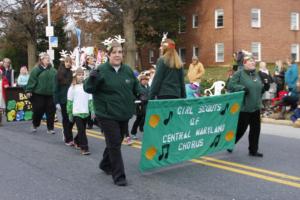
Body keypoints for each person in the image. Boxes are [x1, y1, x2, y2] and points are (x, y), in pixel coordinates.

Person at [84, 38, 142, 186]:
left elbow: (136, 87)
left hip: (124, 113)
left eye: (120, 52)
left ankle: (105, 163)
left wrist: (142, 94)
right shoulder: (101, 70)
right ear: (109, 55)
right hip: (106, 114)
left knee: (116, 141)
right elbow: (88, 88)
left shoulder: (127, 70)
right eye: (114, 52)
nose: (117, 55)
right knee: (115, 144)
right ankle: (119, 176)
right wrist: (92, 79)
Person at [228, 52, 264, 157]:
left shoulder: (256, 74)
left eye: (253, 61)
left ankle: (253, 150)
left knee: (255, 130)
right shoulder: (239, 73)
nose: (253, 63)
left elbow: (258, 87)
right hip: (244, 108)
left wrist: (263, 87)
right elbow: (230, 85)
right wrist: (242, 88)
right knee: (240, 130)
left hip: (256, 107)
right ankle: (229, 144)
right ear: (244, 63)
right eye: (250, 61)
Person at [25, 53, 57, 134]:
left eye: (48, 58)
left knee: (51, 111)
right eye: (46, 58)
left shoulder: (53, 70)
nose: (48, 60)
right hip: (38, 94)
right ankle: (35, 124)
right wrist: (28, 91)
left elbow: (57, 81)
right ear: (41, 60)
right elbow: (32, 81)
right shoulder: (36, 70)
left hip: (50, 94)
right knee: (38, 110)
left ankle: (50, 128)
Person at [67, 68, 94, 155]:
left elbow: (90, 100)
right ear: (76, 76)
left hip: (85, 112)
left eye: (82, 74)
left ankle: (76, 140)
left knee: (82, 131)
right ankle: (84, 148)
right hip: (77, 112)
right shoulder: (72, 87)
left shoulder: (87, 86)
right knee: (81, 130)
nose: (81, 76)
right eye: (79, 75)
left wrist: (92, 111)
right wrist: (70, 113)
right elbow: (69, 102)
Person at [54, 56, 74, 145]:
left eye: (70, 62)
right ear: (64, 62)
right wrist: (56, 102)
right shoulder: (59, 74)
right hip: (62, 99)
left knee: (72, 119)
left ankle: (66, 133)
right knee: (66, 119)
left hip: (71, 99)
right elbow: (55, 89)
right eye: (67, 62)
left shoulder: (71, 73)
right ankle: (68, 139)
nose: (68, 63)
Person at [130, 74, 150, 139]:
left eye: (147, 80)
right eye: (144, 80)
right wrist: (137, 100)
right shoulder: (138, 87)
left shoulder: (149, 87)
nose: (145, 81)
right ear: (141, 80)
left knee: (145, 119)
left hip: (147, 106)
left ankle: (142, 128)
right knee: (138, 120)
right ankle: (133, 133)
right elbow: (134, 95)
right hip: (140, 106)